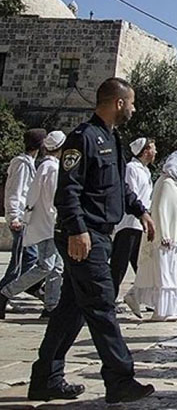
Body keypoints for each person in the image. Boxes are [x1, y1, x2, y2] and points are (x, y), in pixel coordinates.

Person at [28, 78, 155, 403]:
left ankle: (46, 378)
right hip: (84, 236)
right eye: (131, 102)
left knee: (71, 308)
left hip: (98, 234)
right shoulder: (82, 139)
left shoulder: (113, 139)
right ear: (117, 103)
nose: (134, 108)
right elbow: (67, 190)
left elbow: (117, 186)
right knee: (101, 305)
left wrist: (140, 210)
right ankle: (120, 379)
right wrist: (77, 230)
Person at [0, 131, 66, 320]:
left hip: (48, 223)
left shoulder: (46, 166)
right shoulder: (49, 168)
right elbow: (24, 194)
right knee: (44, 265)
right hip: (46, 224)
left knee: (56, 266)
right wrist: (18, 216)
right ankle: (6, 292)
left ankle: (51, 306)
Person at [125, 151, 177, 322]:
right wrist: (165, 234)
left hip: (174, 241)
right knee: (162, 274)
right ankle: (159, 310)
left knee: (170, 274)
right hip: (163, 239)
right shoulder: (166, 183)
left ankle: (168, 309)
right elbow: (160, 209)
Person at [1, 128, 46, 299]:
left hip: (26, 219)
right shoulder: (21, 164)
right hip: (20, 219)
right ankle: (4, 291)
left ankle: (30, 288)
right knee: (23, 260)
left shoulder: (29, 164)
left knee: (29, 257)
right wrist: (14, 216)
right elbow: (15, 191)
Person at [110, 137, 156, 298]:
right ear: (145, 152)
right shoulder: (132, 169)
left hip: (139, 224)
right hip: (129, 223)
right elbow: (131, 194)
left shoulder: (145, 170)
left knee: (140, 263)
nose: (155, 151)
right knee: (119, 264)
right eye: (152, 148)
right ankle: (110, 297)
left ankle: (149, 297)